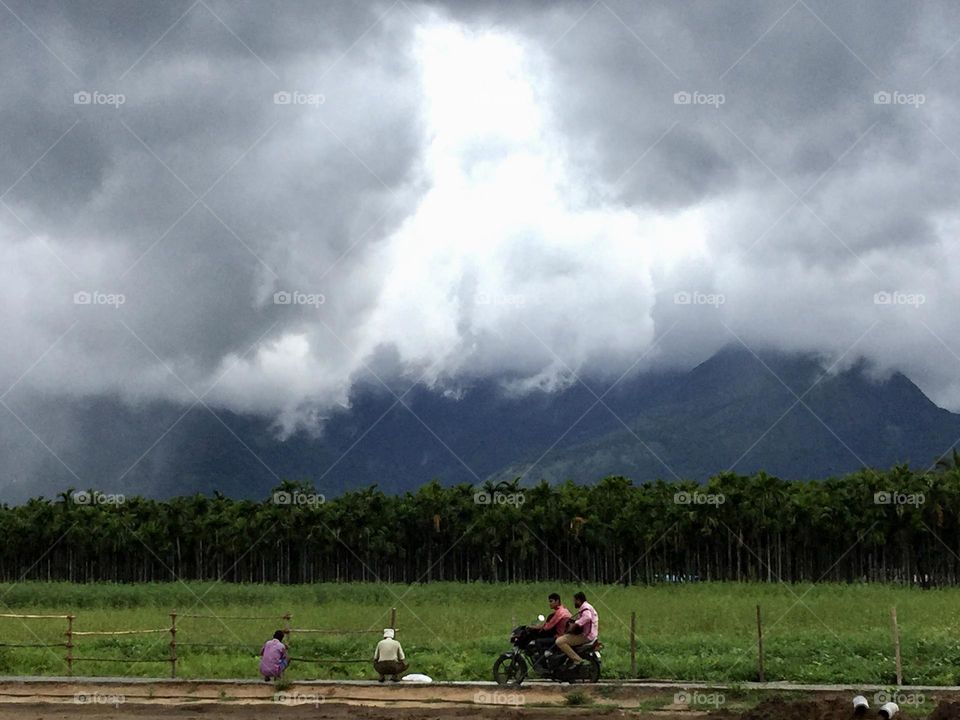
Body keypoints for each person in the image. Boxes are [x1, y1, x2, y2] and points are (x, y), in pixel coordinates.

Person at [555, 591, 598, 665]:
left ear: (578, 600)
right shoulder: (588, 606)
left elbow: (587, 617)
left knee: (559, 641)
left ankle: (577, 660)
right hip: (591, 634)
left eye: (574, 601)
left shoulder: (585, 608)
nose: (574, 602)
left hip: (586, 635)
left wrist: (576, 624)